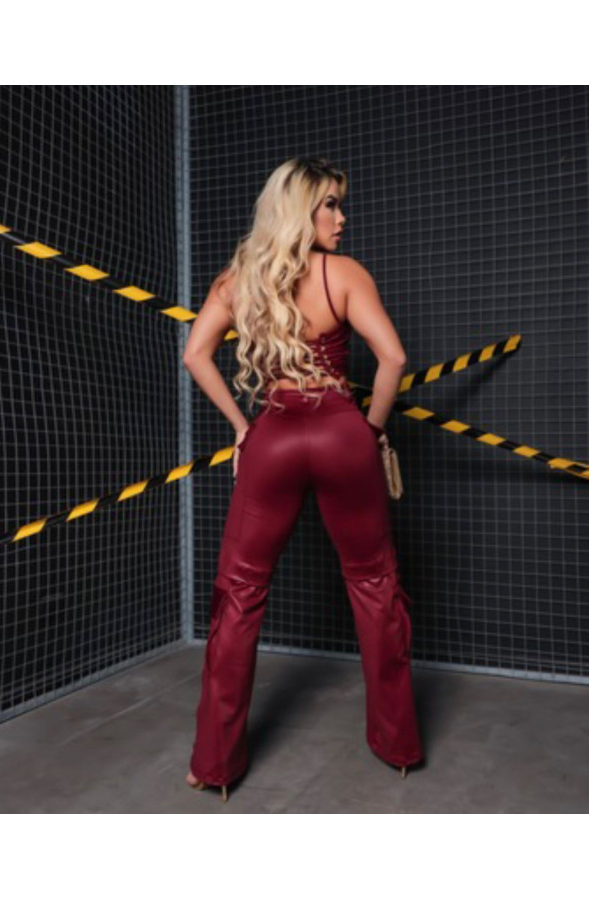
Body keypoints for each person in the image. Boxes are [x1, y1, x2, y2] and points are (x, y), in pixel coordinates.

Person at [182, 157, 424, 802]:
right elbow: (393, 358)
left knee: (239, 594)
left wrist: (242, 428)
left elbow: (195, 355)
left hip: (276, 437)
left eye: (341, 205)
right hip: (343, 434)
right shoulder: (342, 274)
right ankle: (398, 745)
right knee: (374, 584)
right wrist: (371, 430)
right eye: (330, 205)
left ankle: (214, 764)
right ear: (299, 209)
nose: (342, 219)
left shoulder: (239, 280)